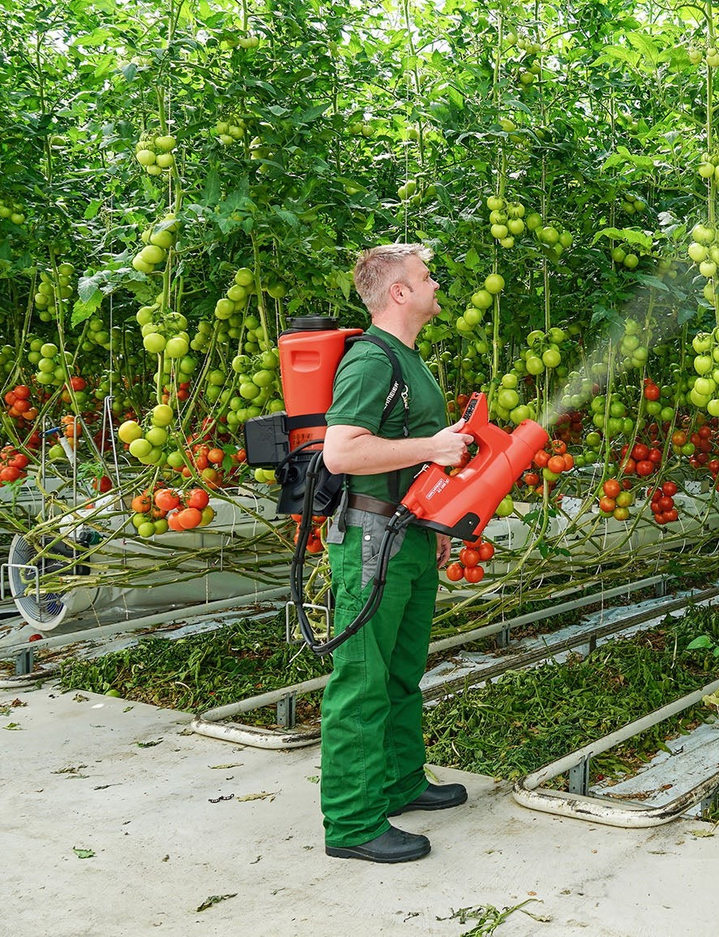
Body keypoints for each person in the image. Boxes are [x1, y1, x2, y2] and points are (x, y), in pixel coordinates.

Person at [318, 243, 473, 863]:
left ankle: (400, 781)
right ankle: (353, 824)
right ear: (400, 293)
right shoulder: (370, 361)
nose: (436, 284)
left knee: (403, 668)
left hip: (408, 533)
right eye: (427, 276)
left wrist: (434, 525)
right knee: (363, 677)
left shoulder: (409, 359)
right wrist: (433, 449)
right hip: (370, 540)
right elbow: (342, 454)